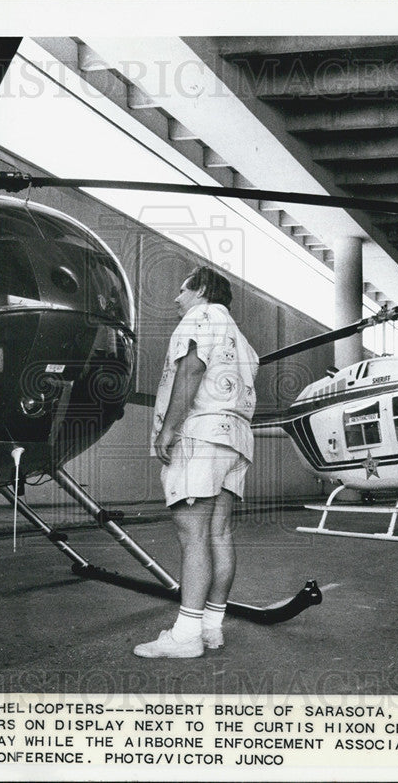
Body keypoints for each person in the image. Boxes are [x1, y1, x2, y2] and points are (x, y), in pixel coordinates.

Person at [133, 267, 258, 659]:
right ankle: (210, 628)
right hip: (236, 438)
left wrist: (168, 429)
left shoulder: (201, 316)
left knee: (193, 536)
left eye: (182, 289)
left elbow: (191, 369)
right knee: (219, 533)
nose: (176, 299)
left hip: (201, 435)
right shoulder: (243, 340)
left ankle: (185, 635)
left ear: (201, 289)